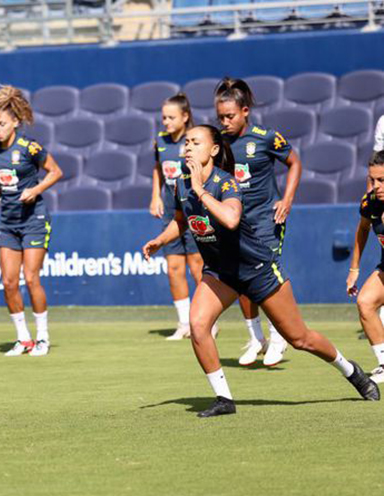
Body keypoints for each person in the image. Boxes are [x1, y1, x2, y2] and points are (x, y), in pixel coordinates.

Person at [142, 125, 379, 417]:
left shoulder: (226, 183)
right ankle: (224, 399)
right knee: (198, 324)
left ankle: (350, 370)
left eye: (196, 142)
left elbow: (230, 219)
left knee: (299, 338)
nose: (188, 147)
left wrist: (201, 192)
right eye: (186, 142)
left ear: (214, 150)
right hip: (220, 272)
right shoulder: (181, 184)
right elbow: (181, 221)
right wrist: (160, 240)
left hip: (257, 269)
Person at [215, 78, 302, 367]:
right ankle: (256, 338)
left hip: (267, 219)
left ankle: (278, 339)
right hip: (235, 222)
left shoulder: (266, 137)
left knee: (265, 278)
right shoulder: (219, 142)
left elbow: (294, 162)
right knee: (241, 281)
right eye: (221, 117)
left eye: (230, 116)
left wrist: (286, 200)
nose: (225, 122)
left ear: (245, 111)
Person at [0, 85, 63, 357]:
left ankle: (43, 337)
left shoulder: (30, 147)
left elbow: (56, 172)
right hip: (8, 222)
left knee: (31, 278)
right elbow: (5, 181)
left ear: (15, 122)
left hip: (34, 220)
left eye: (1, 123)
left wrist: (36, 190)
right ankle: (23, 339)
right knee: (8, 282)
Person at [148, 93, 205, 340]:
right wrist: (155, 196)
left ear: (185, 116)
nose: (166, 122)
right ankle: (184, 323)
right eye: (164, 117)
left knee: (197, 266)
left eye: (171, 117)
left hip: (191, 207)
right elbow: (157, 169)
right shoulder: (159, 141)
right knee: (173, 268)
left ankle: (205, 321)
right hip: (170, 209)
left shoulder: (194, 140)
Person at [346, 150, 384, 384]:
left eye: (382, 180)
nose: (376, 185)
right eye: (373, 180)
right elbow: (362, 230)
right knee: (365, 302)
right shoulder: (370, 202)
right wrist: (354, 269)